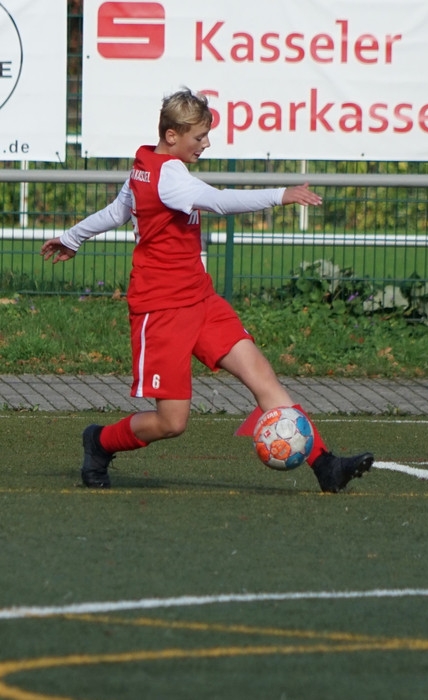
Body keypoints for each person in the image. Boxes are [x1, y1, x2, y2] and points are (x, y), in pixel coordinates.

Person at [40, 88, 374, 493]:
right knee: (171, 422)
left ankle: (326, 465)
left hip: (201, 299)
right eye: (199, 136)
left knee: (262, 378)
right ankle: (100, 441)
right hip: (161, 310)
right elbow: (219, 201)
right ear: (172, 135)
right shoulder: (168, 177)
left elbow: (117, 211)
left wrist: (71, 238)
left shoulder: (148, 165)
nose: (207, 143)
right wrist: (280, 195)